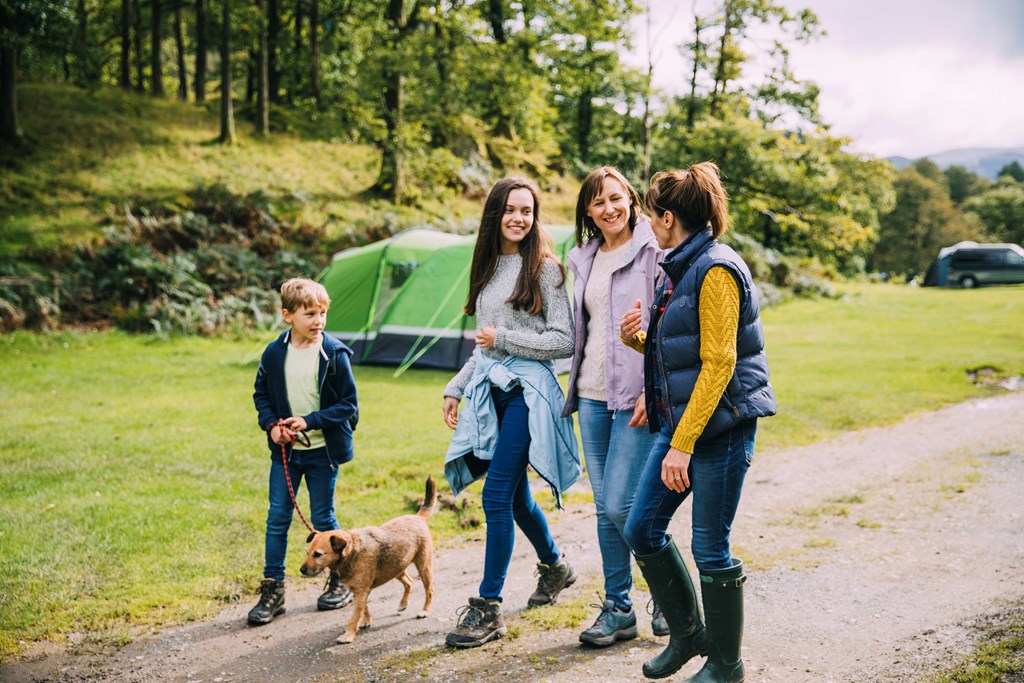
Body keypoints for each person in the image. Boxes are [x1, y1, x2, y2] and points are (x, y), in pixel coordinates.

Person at [619, 162, 776, 682]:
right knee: (642, 528)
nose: (646, 225)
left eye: (649, 216)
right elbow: (681, 354)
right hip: (684, 426)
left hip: (722, 430)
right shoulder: (682, 265)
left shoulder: (715, 269)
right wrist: (637, 339)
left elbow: (720, 363)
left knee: (710, 546)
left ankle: (727, 666)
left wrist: (681, 444)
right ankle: (689, 635)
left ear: (668, 218)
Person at [441, 176, 581, 649]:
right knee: (517, 497)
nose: (520, 218)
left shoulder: (545, 269)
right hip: (492, 391)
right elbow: (483, 348)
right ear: (495, 214)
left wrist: (504, 338)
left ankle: (488, 607)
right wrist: (456, 387)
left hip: (529, 393)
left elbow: (564, 340)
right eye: (510, 210)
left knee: (496, 496)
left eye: (528, 210)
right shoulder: (486, 268)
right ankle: (556, 566)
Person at [561, 166, 666, 647]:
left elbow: (667, 325)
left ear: (631, 200)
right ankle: (618, 608)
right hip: (589, 394)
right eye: (599, 201)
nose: (610, 208)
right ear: (588, 209)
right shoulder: (582, 258)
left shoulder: (654, 251)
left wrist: (654, 386)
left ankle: (668, 595)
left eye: (617, 198)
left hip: (636, 397)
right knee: (605, 508)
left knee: (626, 504)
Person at [248, 277, 360, 626]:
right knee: (277, 518)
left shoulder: (335, 354)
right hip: (286, 454)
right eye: (309, 313)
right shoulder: (273, 352)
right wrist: (272, 426)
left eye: (323, 313)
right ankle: (273, 590)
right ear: (287, 315)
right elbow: (261, 396)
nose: (318, 321)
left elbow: (349, 406)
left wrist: (310, 421)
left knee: (324, 519)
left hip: (322, 453)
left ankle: (339, 580)